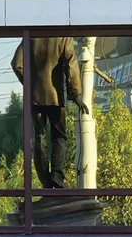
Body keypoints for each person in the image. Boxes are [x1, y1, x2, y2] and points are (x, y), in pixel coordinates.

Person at [10, 37, 90, 190]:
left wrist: (29, 84)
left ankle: (45, 181)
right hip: (55, 97)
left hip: (34, 98)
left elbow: (16, 64)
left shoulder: (31, 36)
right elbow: (71, 65)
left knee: (40, 138)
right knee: (59, 137)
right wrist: (76, 94)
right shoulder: (63, 37)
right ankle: (57, 178)